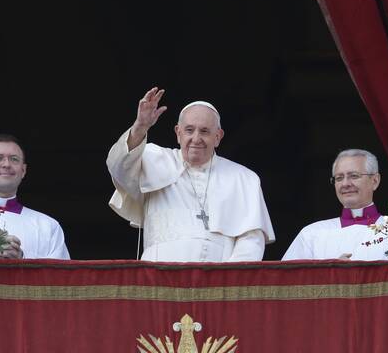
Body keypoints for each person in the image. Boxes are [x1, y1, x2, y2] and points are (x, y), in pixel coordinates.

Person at [107, 87, 275, 262]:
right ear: (178, 133)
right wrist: (140, 127)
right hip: (157, 281)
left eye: (204, 131)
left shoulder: (244, 179)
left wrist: (228, 282)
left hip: (218, 283)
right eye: (189, 130)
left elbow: (251, 241)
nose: (196, 138)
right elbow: (118, 167)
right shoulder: (151, 160)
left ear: (218, 137)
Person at [282, 149, 388, 261]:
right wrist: (331, 272)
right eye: (339, 178)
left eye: (354, 176)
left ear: (375, 181)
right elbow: (286, 278)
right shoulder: (311, 234)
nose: (345, 184)